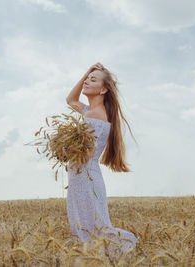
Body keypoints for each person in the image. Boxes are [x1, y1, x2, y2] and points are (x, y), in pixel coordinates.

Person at [65, 62, 138, 255]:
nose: (87, 82)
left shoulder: (95, 115)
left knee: (91, 228)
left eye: (93, 80)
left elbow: (85, 154)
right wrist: (86, 73)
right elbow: (70, 99)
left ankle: (118, 251)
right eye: (87, 79)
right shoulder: (90, 111)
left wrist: (62, 148)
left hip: (85, 177)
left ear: (104, 89)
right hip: (84, 175)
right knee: (89, 226)